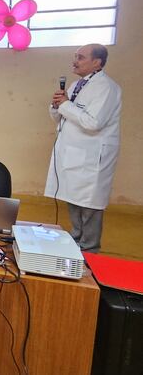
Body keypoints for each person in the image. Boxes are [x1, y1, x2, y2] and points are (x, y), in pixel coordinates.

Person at [45, 44, 121, 253]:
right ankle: (76, 240)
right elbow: (61, 118)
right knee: (73, 197)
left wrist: (66, 105)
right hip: (73, 154)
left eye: (81, 57)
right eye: (75, 56)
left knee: (89, 205)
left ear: (97, 62)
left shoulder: (107, 87)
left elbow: (93, 123)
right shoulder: (77, 85)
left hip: (92, 157)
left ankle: (90, 249)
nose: (75, 61)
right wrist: (56, 105)